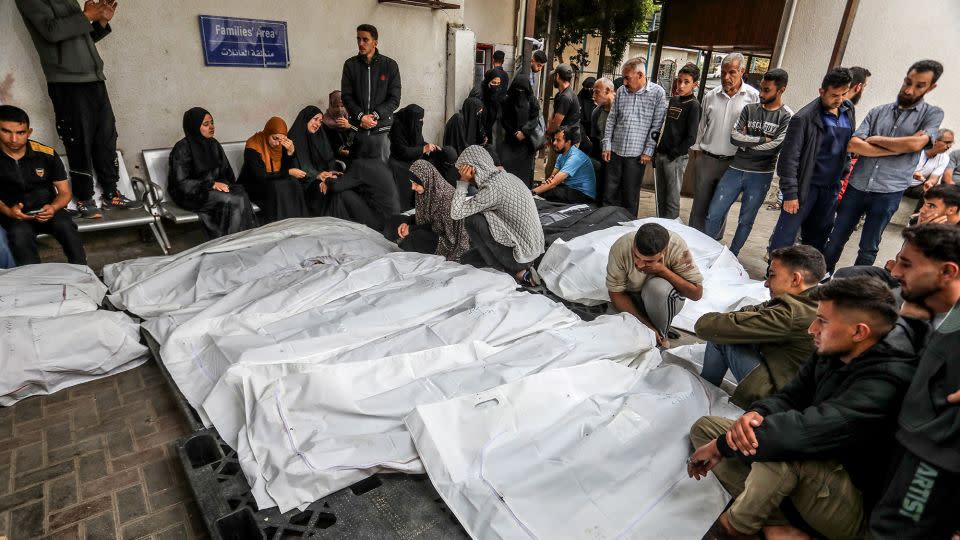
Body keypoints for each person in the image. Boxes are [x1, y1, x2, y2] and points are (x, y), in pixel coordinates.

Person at [688, 276, 920, 540]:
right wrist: (758, 413)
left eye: (823, 321)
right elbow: (790, 397)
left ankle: (733, 528)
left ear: (859, 332)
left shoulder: (887, 380)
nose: (812, 329)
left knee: (779, 451)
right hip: (811, 470)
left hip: (853, 503)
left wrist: (724, 446)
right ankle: (776, 526)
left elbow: (803, 432)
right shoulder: (832, 351)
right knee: (707, 429)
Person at [871, 224, 960, 538]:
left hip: (933, 459)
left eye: (907, 264)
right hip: (907, 443)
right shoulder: (933, 314)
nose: (894, 271)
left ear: (947, 272)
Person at [16, 0, 141, 219]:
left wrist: (100, 22)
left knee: (106, 136)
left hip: (94, 79)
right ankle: (84, 198)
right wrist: (86, 16)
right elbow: (51, 32)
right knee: (78, 139)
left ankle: (111, 192)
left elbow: (81, 39)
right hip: (67, 82)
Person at [822, 60, 944, 272]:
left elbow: (917, 143)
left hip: (889, 191)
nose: (909, 89)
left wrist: (876, 139)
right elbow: (854, 144)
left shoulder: (932, 115)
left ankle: (856, 292)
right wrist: (902, 147)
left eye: (919, 85)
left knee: (868, 247)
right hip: (857, 186)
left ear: (931, 87)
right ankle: (823, 280)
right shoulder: (878, 112)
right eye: (908, 81)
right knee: (835, 239)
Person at [695, 245, 826, 407]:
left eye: (772, 276)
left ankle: (702, 391)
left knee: (722, 336)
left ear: (795, 279)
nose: (766, 284)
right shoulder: (818, 299)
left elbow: (705, 326)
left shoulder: (790, 313)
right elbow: (754, 311)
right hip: (802, 391)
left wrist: (742, 321)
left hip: (781, 399)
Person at [704, 69, 792, 256]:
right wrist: (762, 140)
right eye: (761, 88)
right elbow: (734, 137)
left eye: (766, 90)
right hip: (736, 168)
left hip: (761, 175)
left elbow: (776, 146)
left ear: (781, 90)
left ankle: (732, 256)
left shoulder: (786, 116)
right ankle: (706, 252)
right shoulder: (749, 109)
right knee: (714, 213)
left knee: (746, 220)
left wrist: (749, 143)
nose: (760, 94)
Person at [769, 67, 855, 253]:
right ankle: (773, 274)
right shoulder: (803, 118)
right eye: (834, 95)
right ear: (821, 91)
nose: (839, 99)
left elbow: (847, 147)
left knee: (818, 236)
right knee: (785, 236)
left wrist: (843, 174)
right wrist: (791, 194)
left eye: (843, 94)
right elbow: (788, 159)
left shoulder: (848, 111)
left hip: (830, 188)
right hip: (805, 188)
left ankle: (806, 277)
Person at [0, 105, 85, 265]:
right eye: (6, 131)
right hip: (14, 215)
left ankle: (82, 273)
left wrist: (53, 208)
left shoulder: (46, 154)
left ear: (29, 132)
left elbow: (65, 192)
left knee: (66, 226)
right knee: (19, 235)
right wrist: (9, 212)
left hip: (49, 210)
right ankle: (35, 282)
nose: (14, 139)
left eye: (20, 133)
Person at [451, 145, 544, 286]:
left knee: (471, 219)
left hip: (518, 257)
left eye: (466, 173)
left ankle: (503, 271)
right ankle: (522, 273)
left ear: (473, 169)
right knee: (467, 258)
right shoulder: (508, 177)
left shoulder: (491, 189)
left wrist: (463, 183)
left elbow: (456, 213)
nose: (468, 179)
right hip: (533, 252)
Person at [688, 53, 759, 235]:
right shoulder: (711, 96)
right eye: (723, 73)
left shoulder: (753, 97)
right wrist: (697, 153)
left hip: (734, 162)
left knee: (720, 207)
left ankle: (713, 243)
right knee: (699, 205)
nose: (726, 77)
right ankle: (694, 240)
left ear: (742, 71)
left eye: (732, 72)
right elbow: (701, 126)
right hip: (708, 159)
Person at [606, 223, 703, 347]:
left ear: (664, 251)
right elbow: (616, 293)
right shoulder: (621, 247)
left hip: (664, 298)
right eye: (636, 256)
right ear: (634, 243)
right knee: (612, 329)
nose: (640, 265)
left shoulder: (676, 246)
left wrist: (662, 270)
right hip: (633, 297)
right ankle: (654, 326)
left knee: (656, 288)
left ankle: (661, 336)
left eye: (648, 261)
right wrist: (646, 325)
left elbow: (696, 293)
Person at [168, 107, 257, 239]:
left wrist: (227, 186)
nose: (211, 127)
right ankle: (229, 240)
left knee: (240, 193)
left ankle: (246, 237)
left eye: (212, 123)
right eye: (205, 124)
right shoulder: (182, 148)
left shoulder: (214, 144)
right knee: (231, 199)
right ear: (194, 126)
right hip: (191, 194)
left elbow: (227, 173)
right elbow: (181, 183)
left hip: (213, 189)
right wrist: (210, 184)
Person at [602, 58, 667, 217]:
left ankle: (627, 226)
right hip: (615, 151)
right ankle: (604, 225)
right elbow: (612, 119)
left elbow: (656, 125)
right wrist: (607, 145)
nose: (624, 82)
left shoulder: (658, 93)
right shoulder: (622, 91)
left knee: (630, 196)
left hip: (637, 155)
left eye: (627, 78)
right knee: (609, 193)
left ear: (640, 75)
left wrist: (648, 151)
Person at [340, 24, 401, 164]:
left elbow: (394, 99)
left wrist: (374, 116)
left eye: (365, 39)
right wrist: (361, 117)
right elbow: (347, 96)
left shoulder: (390, 66)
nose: (360, 43)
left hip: (380, 129)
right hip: (357, 130)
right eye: (358, 39)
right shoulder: (350, 65)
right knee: (358, 170)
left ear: (375, 42)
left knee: (380, 172)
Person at [389, 160, 470, 262]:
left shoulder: (446, 197)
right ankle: (406, 238)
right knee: (394, 221)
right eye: (411, 183)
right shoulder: (425, 189)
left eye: (416, 184)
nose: (413, 187)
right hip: (427, 228)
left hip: (445, 240)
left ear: (426, 179)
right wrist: (407, 222)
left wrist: (411, 229)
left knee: (415, 238)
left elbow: (439, 229)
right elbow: (424, 216)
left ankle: (407, 240)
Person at [238, 116, 309, 223]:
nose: (278, 143)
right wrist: (288, 172)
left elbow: (284, 169)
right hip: (253, 185)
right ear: (267, 133)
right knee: (278, 186)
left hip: (273, 183)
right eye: (275, 138)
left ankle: (298, 224)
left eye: (282, 139)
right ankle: (279, 225)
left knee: (293, 183)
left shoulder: (281, 145)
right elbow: (260, 175)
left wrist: (290, 153)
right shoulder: (253, 145)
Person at [654, 62, 701, 219]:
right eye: (679, 80)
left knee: (672, 199)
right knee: (660, 194)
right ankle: (660, 224)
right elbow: (667, 128)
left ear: (695, 84)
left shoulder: (694, 105)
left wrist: (673, 153)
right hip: (662, 154)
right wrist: (659, 150)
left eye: (686, 82)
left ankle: (671, 228)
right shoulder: (674, 101)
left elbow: (691, 137)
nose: (681, 85)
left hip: (676, 158)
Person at [389, 104, 440, 210]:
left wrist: (431, 147)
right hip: (399, 161)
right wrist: (423, 149)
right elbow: (401, 151)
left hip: (412, 157)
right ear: (410, 119)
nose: (421, 122)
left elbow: (419, 141)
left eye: (422, 119)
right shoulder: (397, 127)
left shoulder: (413, 124)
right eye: (419, 120)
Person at [534, 125, 596, 204]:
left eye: (558, 140)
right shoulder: (561, 155)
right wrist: (546, 184)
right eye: (554, 139)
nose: (554, 143)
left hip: (584, 195)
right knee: (544, 189)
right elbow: (551, 179)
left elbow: (554, 182)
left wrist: (532, 192)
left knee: (548, 192)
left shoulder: (575, 157)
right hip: (570, 188)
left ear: (568, 142)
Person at [498, 76, 541, 187]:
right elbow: (504, 119)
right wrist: (514, 132)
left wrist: (524, 132)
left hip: (526, 144)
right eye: (518, 89)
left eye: (523, 90)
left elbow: (535, 118)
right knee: (508, 169)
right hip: (510, 141)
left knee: (524, 173)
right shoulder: (507, 101)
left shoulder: (532, 101)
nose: (520, 93)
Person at [545, 63, 581, 176]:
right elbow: (554, 116)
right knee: (551, 170)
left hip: (567, 141)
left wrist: (548, 134)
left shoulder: (566, 97)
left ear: (558, 77)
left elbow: (557, 121)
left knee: (554, 173)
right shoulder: (561, 94)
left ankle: (548, 192)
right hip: (561, 137)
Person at [904, 128, 953, 203]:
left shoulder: (945, 158)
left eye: (951, 143)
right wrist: (911, 173)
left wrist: (929, 183)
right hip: (899, 183)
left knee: (935, 190)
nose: (949, 146)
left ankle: (918, 214)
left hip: (916, 188)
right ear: (935, 141)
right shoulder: (918, 147)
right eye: (947, 142)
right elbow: (898, 168)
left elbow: (934, 179)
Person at [590, 77, 616, 202]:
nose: (593, 96)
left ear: (607, 91)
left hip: (618, 156)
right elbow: (594, 138)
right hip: (602, 156)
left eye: (596, 92)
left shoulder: (619, 110)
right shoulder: (596, 113)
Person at [322, 90, 358, 165]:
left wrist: (350, 126)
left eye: (342, 106)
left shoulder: (353, 117)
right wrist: (339, 150)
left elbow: (363, 134)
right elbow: (324, 144)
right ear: (330, 105)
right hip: (336, 161)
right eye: (336, 106)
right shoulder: (324, 122)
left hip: (356, 155)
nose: (339, 110)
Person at [480, 70, 504, 148]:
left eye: (498, 83)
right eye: (493, 83)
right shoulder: (480, 93)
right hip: (479, 130)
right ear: (488, 81)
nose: (496, 86)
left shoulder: (497, 95)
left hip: (489, 129)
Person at [577, 76, 597, 153]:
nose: (589, 91)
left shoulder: (597, 99)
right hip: (582, 130)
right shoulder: (580, 98)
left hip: (593, 130)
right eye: (587, 89)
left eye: (591, 89)